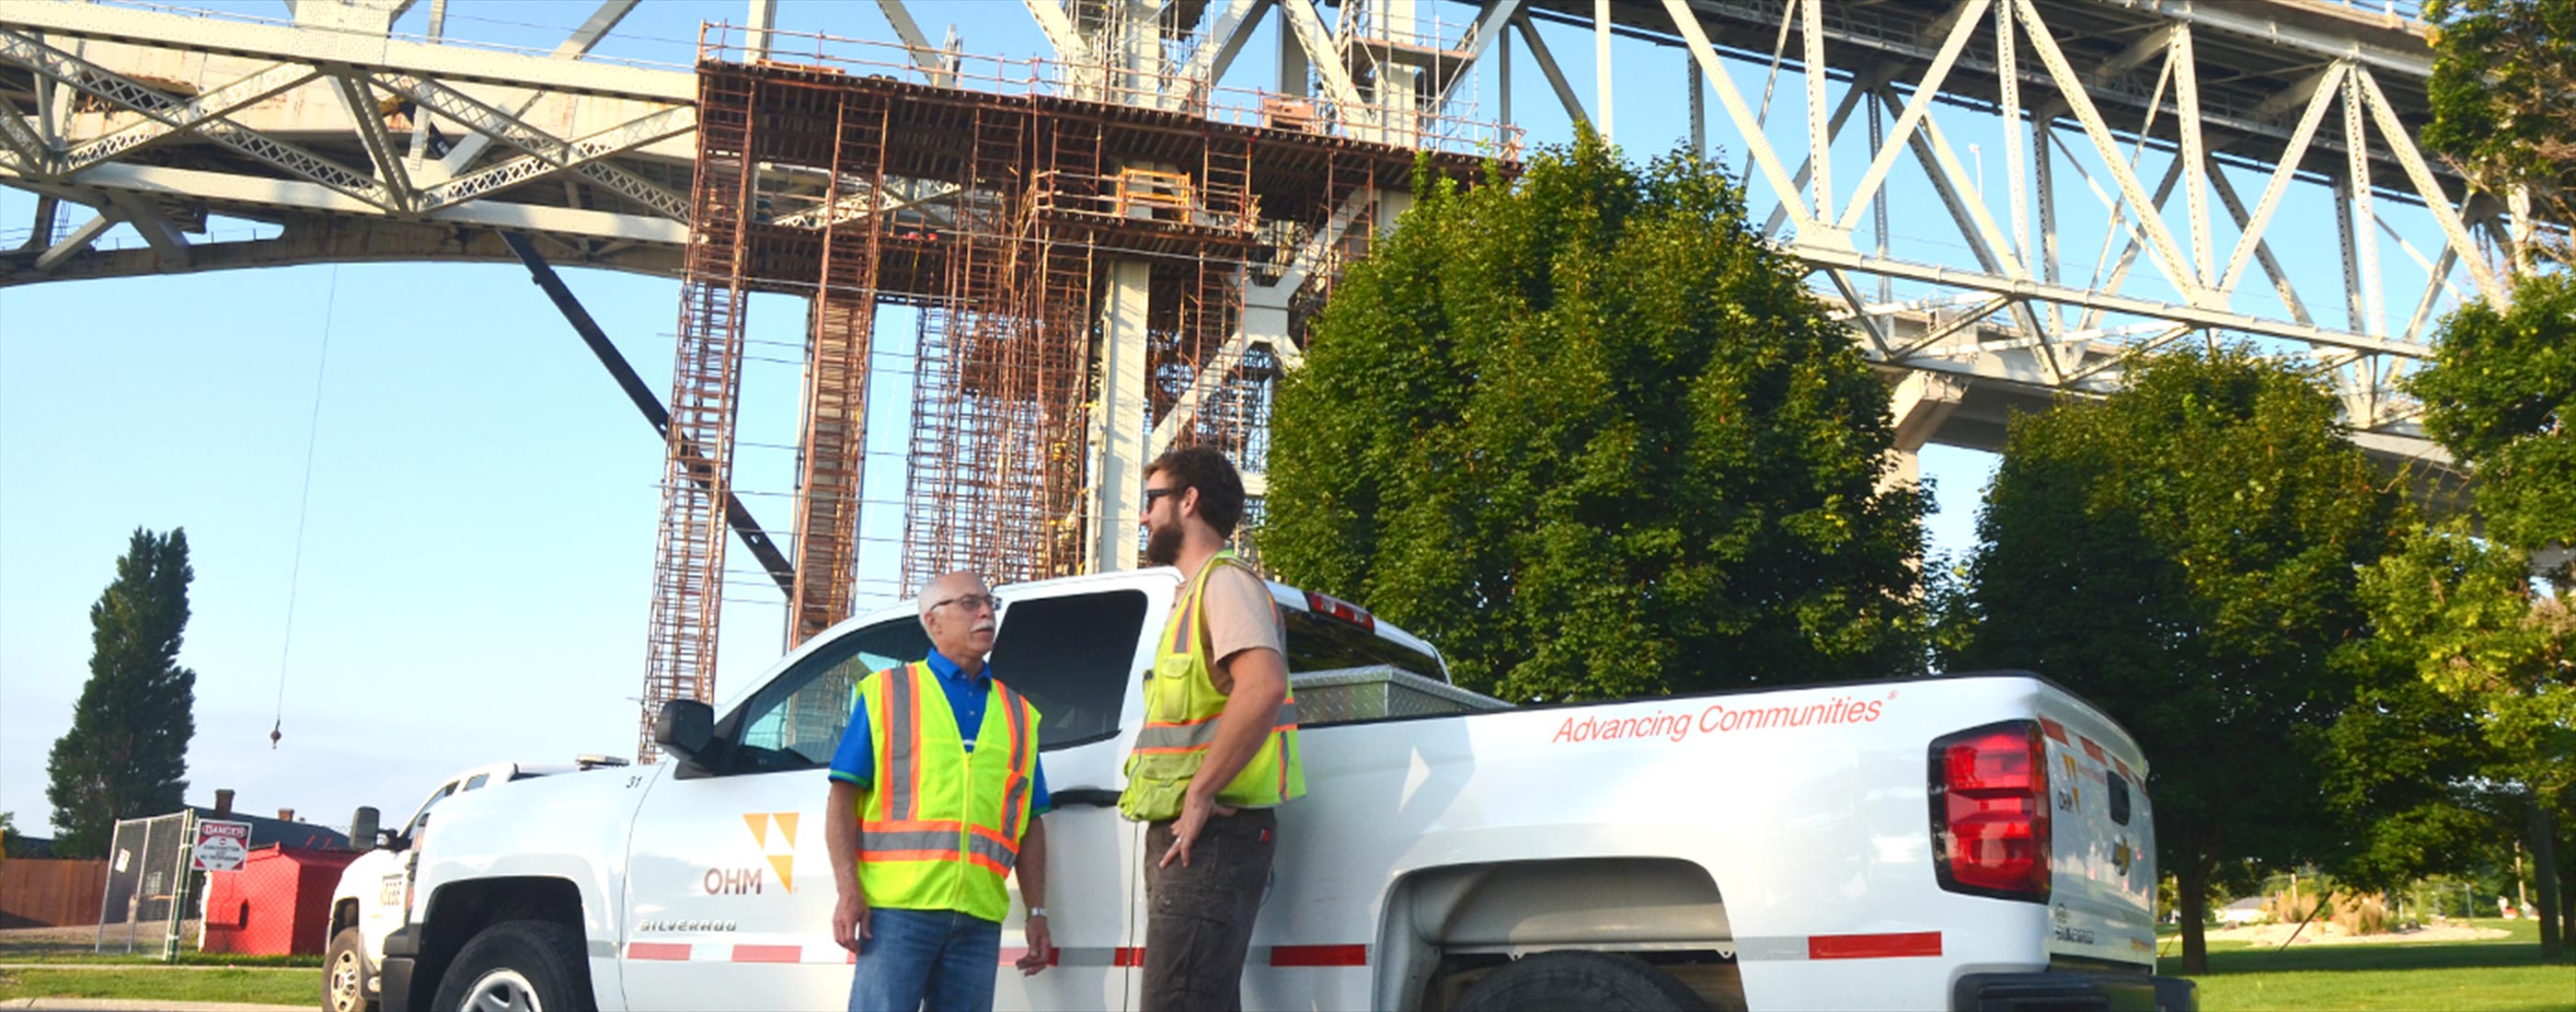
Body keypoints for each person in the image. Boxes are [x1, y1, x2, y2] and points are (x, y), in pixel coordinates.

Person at [1119, 445, 1305, 1012]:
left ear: (1189, 501)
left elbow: (1263, 686)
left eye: (1152, 500)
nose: (1144, 516)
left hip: (1212, 834)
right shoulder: (1194, 594)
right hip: (1198, 837)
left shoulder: (1224, 585)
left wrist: (1198, 793)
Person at [825, 571, 1053, 1012]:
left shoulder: (1020, 714)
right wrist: (849, 891)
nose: (986, 611)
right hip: (896, 914)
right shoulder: (886, 693)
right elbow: (842, 799)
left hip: (978, 918)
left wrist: (1037, 913)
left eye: (989, 602)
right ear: (933, 621)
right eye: (969, 603)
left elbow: (1030, 823)